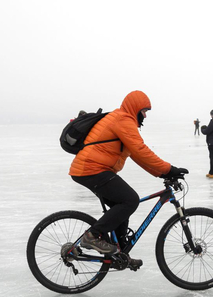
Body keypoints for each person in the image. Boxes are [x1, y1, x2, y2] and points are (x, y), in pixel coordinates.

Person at [69, 90, 186, 266]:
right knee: (130, 200)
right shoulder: (123, 120)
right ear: (136, 108)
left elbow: (137, 156)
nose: (145, 116)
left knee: (122, 206)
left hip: (93, 169)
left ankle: (120, 252)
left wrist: (161, 173)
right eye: (144, 111)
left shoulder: (123, 119)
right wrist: (169, 169)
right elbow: (141, 150)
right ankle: (92, 236)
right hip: (91, 169)